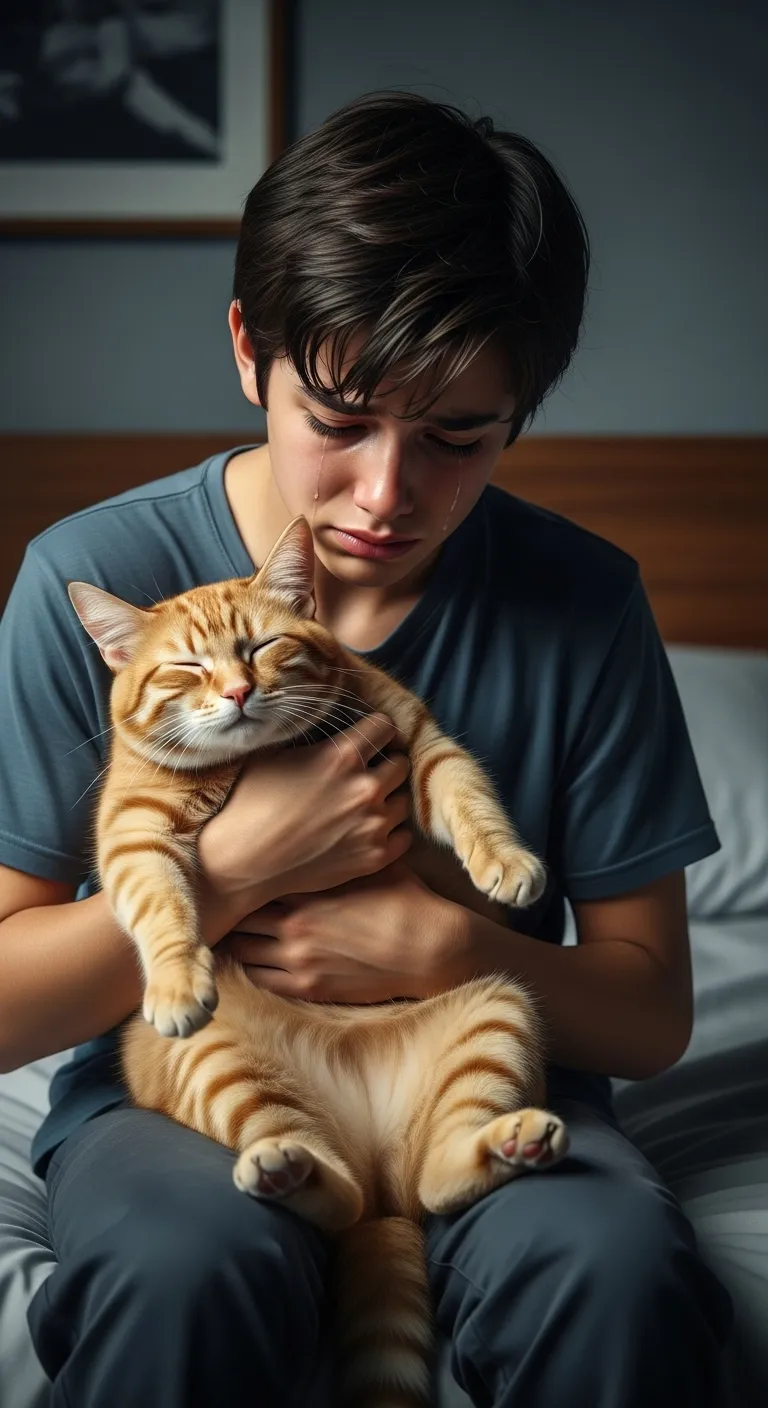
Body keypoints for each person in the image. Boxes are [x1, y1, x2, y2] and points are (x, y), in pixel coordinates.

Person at [0, 90, 733, 1407]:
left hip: (479, 1073)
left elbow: (651, 1009)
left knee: (611, 1264)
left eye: (460, 438)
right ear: (247, 351)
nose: (388, 496)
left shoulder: (583, 600)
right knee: (179, 1267)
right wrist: (232, 874)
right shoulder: (99, 581)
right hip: (195, 1092)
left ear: (526, 408)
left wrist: (451, 943)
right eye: (339, 418)